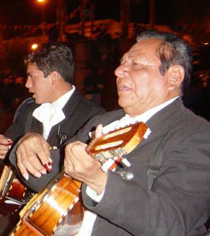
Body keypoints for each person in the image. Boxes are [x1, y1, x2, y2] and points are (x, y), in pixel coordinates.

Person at [17, 30, 210, 235]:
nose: (118, 71)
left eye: (136, 64)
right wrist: (27, 144)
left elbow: (172, 223)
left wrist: (98, 180)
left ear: (173, 77)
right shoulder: (105, 121)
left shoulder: (195, 134)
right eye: (122, 63)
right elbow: (47, 174)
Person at [0, 43, 104, 192]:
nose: (27, 84)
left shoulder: (93, 118)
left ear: (53, 77)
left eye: (32, 77)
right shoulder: (29, 110)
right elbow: (6, 151)